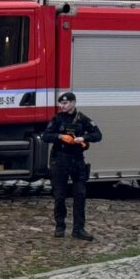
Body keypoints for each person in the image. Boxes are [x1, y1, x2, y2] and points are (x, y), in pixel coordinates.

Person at [42, 91, 102, 241]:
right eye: (61, 103)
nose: (63, 106)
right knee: (59, 196)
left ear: (73, 103)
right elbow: (45, 136)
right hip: (60, 161)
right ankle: (60, 226)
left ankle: (79, 229)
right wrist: (60, 136)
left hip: (76, 160)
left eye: (66, 103)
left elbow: (98, 135)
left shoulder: (82, 119)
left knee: (80, 195)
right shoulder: (57, 119)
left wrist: (83, 138)